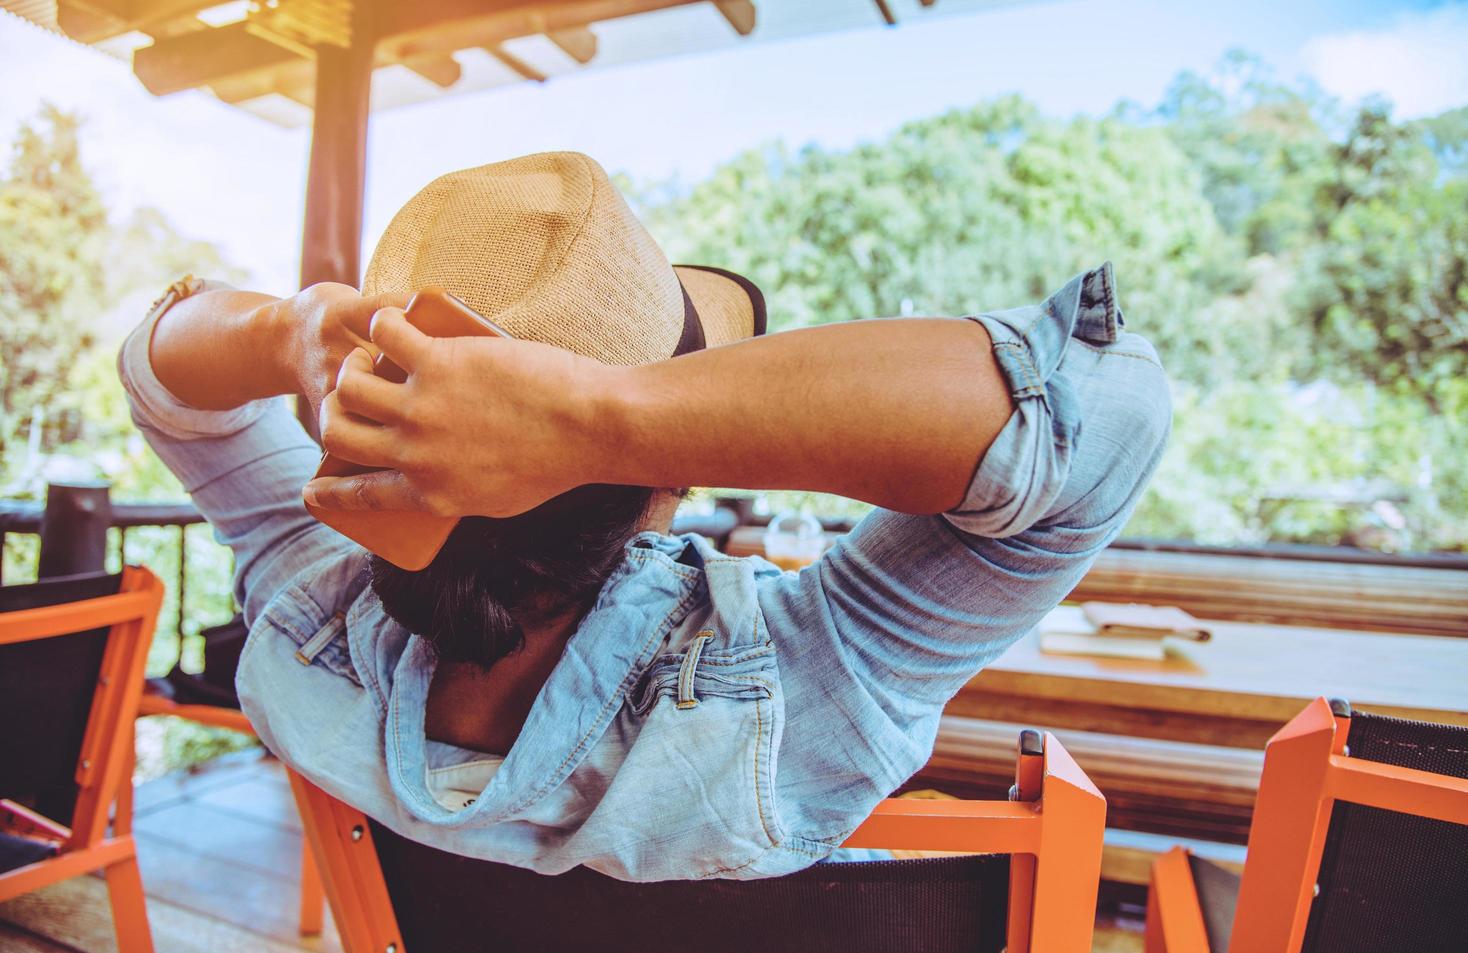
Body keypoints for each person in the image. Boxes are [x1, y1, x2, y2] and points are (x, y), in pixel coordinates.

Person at [119, 151, 1170, 882]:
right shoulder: (809, 690)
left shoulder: (303, 634)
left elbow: (158, 368)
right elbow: (1108, 403)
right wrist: (606, 415)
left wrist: (288, 325)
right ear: (662, 482)